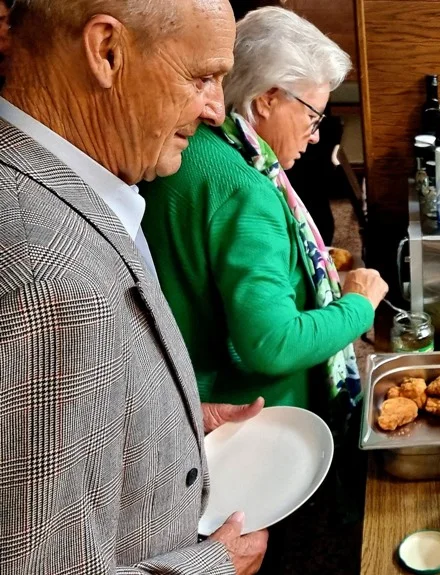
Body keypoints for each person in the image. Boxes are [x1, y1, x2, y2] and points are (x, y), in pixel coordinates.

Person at [0, 0, 267, 573]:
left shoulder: (62, 186)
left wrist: (171, 418)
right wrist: (210, 567)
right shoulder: (46, 276)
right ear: (107, 52)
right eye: (202, 77)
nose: (218, 110)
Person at [140, 6, 387, 412]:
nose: (315, 135)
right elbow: (273, 344)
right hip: (256, 417)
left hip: (180, 394)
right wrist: (359, 305)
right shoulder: (245, 189)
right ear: (269, 99)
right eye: (313, 116)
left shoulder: (192, 147)